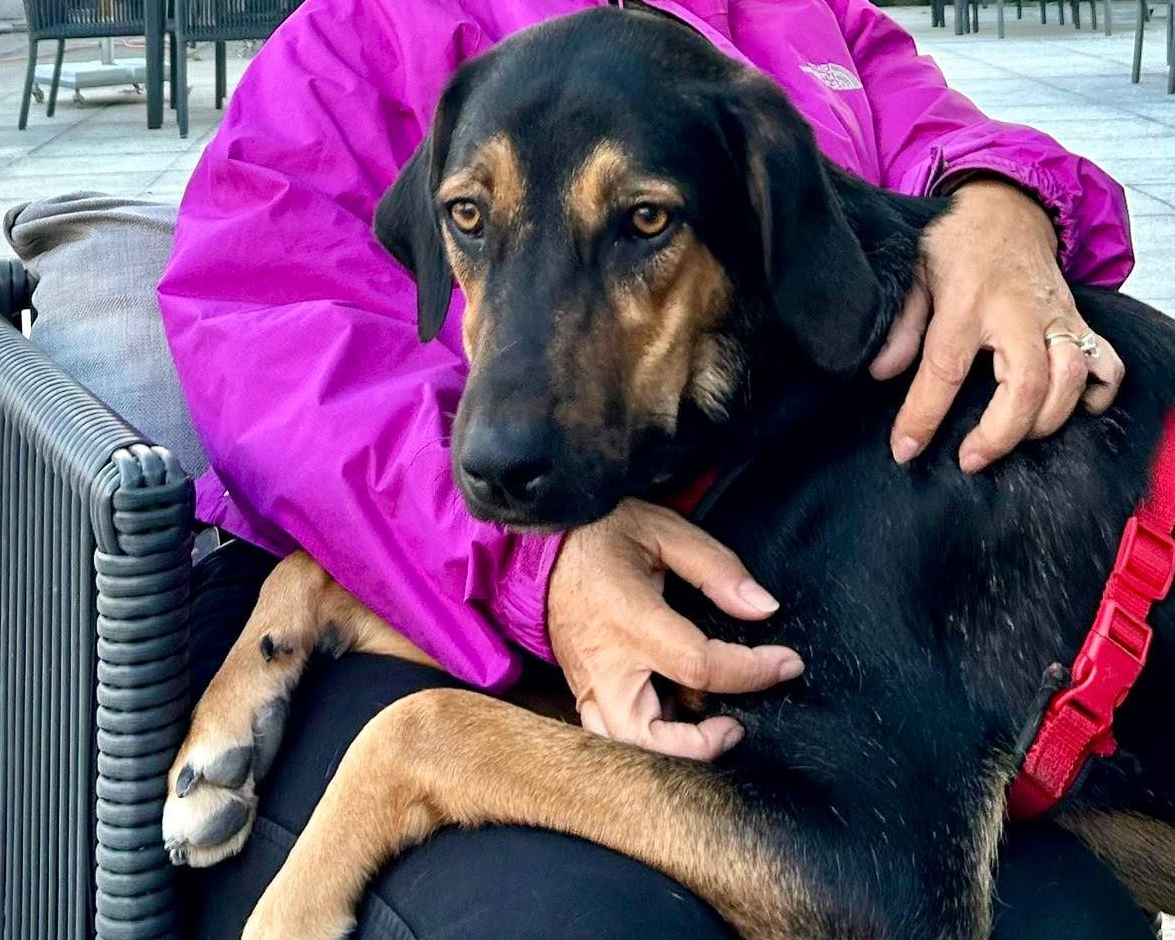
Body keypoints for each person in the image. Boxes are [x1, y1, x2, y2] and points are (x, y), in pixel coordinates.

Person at [157, 1, 1149, 937]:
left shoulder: (804, 20)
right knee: (587, 917)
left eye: (640, 222)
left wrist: (999, 203)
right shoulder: (360, 33)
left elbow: (936, 134)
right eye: (468, 216)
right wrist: (533, 570)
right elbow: (259, 342)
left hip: (822, 565)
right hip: (425, 548)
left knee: (1061, 914)